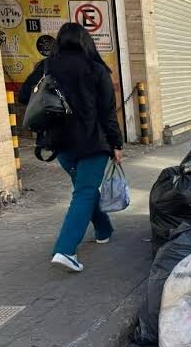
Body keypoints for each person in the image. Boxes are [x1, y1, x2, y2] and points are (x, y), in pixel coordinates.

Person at [18, 23, 123, 272]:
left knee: (84, 190)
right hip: (92, 142)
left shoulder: (46, 67)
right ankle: (65, 250)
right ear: (86, 42)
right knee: (85, 192)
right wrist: (116, 144)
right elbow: (108, 113)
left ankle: (103, 228)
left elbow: (24, 96)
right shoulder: (96, 69)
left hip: (59, 143)